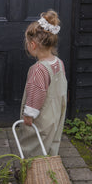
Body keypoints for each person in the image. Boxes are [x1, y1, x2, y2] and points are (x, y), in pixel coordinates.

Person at [19, 9, 67, 157]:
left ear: (33, 45)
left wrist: (29, 115)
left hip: (41, 116)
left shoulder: (38, 69)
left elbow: (36, 93)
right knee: (51, 140)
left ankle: (33, 171)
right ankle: (49, 168)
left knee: (34, 143)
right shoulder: (59, 63)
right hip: (55, 112)